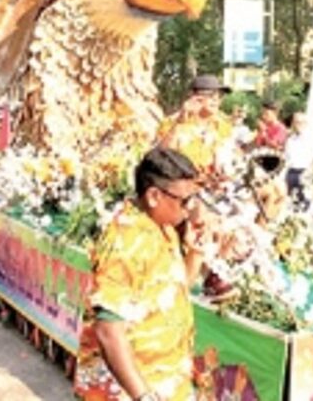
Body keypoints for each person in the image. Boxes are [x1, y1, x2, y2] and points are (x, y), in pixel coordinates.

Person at [74, 147, 208, 401]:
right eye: (185, 201)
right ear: (154, 196)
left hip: (167, 382)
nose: (190, 209)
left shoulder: (163, 227)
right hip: (131, 389)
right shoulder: (126, 242)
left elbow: (172, 293)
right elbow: (108, 330)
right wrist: (143, 395)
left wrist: (196, 254)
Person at [157, 74, 235, 179]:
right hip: (180, 182)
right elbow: (160, 155)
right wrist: (179, 123)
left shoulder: (222, 125)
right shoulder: (173, 122)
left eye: (220, 96)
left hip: (212, 184)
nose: (216, 100)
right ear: (195, 98)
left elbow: (227, 156)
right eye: (211, 95)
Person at [284, 112, 313, 208]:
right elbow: (287, 156)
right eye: (296, 122)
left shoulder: (312, 138)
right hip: (290, 172)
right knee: (290, 202)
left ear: (306, 123)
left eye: (301, 122)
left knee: (304, 202)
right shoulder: (291, 139)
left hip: (305, 172)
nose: (298, 125)